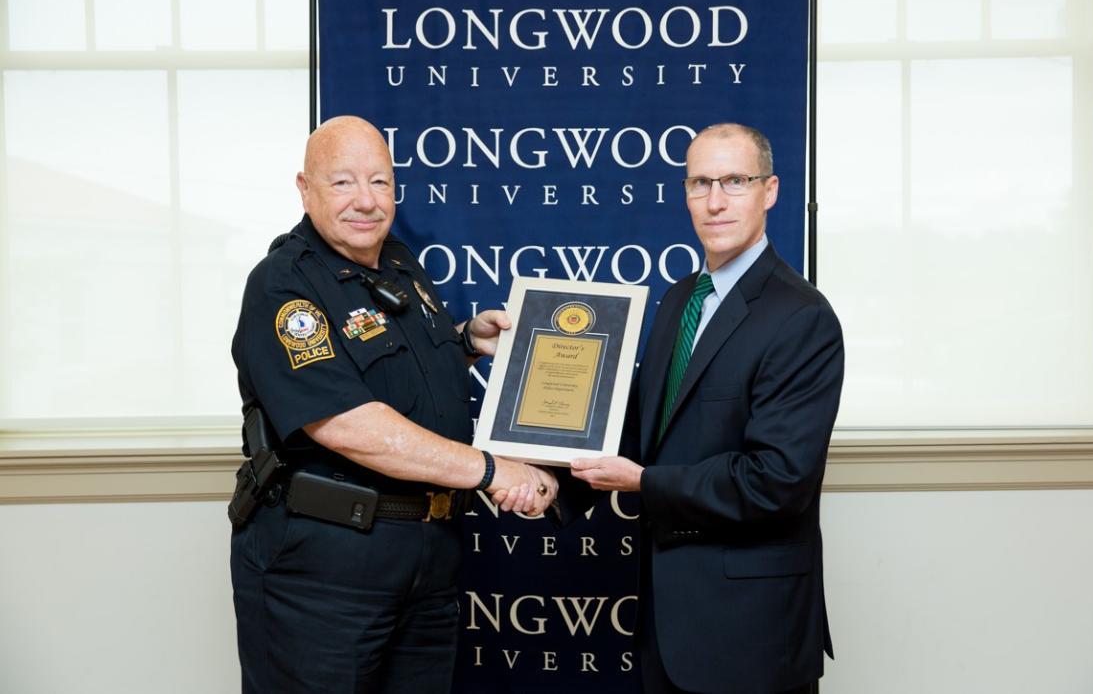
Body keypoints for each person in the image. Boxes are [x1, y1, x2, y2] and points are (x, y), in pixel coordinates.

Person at [229, 115, 557, 693]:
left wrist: (466, 343)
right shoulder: (285, 285)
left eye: (379, 182)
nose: (366, 201)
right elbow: (347, 422)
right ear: (305, 189)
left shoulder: (401, 265)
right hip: (325, 571)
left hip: (426, 564)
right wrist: (491, 470)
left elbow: (393, 375)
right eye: (343, 183)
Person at [571, 122, 844, 694]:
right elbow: (646, 426)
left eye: (735, 181)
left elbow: (777, 479)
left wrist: (645, 482)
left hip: (751, 630)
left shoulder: (801, 318)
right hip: (668, 626)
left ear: (770, 191)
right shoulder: (680, 297)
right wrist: (548, 472)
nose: (715, 201)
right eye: (700, 183)